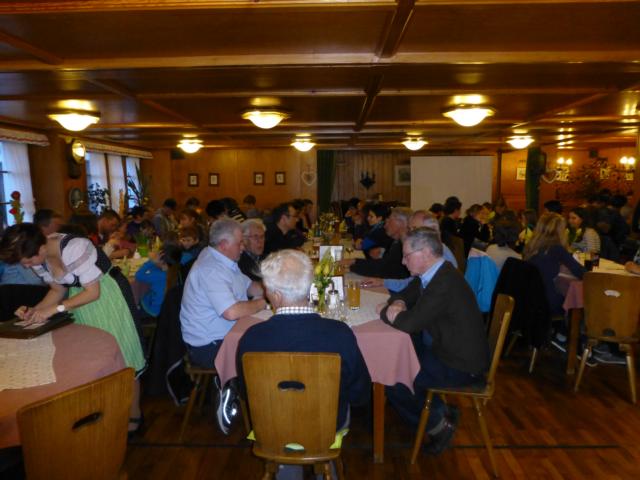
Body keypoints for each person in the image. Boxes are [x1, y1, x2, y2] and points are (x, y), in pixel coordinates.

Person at [236, 249, 370, 479]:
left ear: (275, 295)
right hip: (327, 427)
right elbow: (360, 393)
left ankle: (286, 466)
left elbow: (245, 391)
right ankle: (323, 464)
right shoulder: (340, 334)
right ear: (310, 286)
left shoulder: (251, 337)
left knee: (283, 426)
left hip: (272, 428)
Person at [0, 223, 146, 433]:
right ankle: (107, 412)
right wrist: (35, 311)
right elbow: (57, 290)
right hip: (80, 301)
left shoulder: (75, 247)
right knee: (94, 359)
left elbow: (93, 292)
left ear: (41, 248)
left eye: (28, 261)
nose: (27, 266)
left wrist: (55, 309)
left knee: (125, 356)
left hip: (108, 296)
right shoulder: (39, 257)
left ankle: (134, 416)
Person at [379, 228, 489, 455]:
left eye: (407, 255)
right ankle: (440, 410)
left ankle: (438, 425)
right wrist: (397, 303)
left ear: (426, 253)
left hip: (461, 365)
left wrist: (384, 311)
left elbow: (410, 323)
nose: (403, 261)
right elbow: (404, 295)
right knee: (400, 358)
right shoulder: (434, 274)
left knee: (393, 378)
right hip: (447, 351)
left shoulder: (443, 283)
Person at [179, 218, 266, 434]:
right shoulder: (211, 269)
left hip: (224, 335)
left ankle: (238, 389)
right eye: (240, 242)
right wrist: (264, 302)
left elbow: (250, 286)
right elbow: (231, 312)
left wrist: (273, 290)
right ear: (224, 244)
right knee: (266, 353)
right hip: (208, 346)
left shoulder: (224, 260)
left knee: (268, 340)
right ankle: (232, 389)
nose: (243, 246)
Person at [523, 213, 585, 316]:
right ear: (560, 231)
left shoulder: (530, 248)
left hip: (529, 300)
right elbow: (581, 273)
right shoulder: (557, 249)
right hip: (549, 303)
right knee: (576, 298)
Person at [349, 207, 412, 279]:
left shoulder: (406, 244)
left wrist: (353, 264)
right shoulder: (397, 242)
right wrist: (354, 262)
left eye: (389, 220)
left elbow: (384, 268)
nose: (385, 225)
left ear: (400, 223)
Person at [135, 244, 182, 318]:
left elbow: (138, 275)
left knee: (132, 303)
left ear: (163, 262)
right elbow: (154, 270)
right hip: (164, 308)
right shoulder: (174, 270)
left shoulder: (159, 275)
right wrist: (155, 263)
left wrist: (151, 262)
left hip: (152, 310)